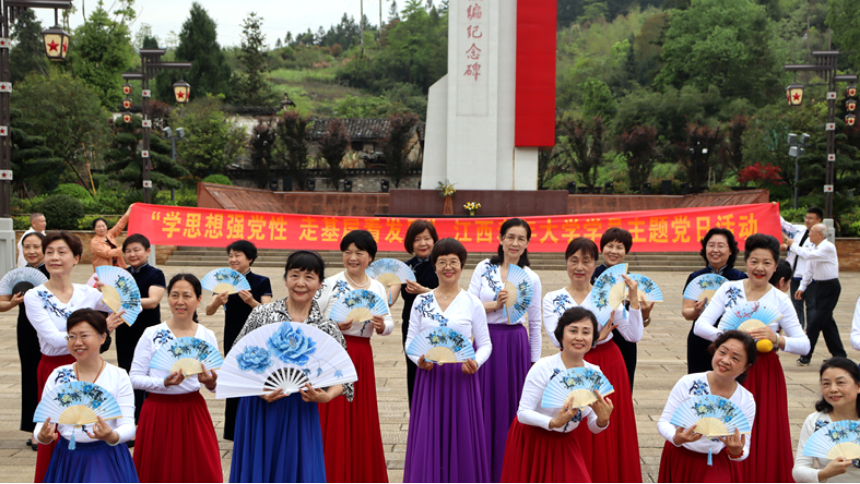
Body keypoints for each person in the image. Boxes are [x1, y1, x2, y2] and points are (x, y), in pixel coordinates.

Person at [695, 234, 810, 483]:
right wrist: (731, 338)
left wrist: (777, 339)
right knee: (725, 425)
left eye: (767, 263)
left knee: (763, 430)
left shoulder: (780, 299)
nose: (760, 268)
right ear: (745, 262)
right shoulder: (729, 289)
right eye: (754, 261)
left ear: (775, 266)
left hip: (764, 371)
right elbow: (700, 326)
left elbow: (804, 345)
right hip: (729, 368)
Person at [229, 251, 353, 483]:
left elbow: (343, 376)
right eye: (294, 275)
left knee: (297, 470)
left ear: (319, 284)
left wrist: (326, 396)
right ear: (285, 279)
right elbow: (237, 361)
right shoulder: (262, 314)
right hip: (259, 406)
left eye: (309, 277)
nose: (300, 283)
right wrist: (258, 389)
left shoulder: (325, 326)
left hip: (301, 409)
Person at [24, 231, 124, 483]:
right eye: (49, 252)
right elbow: (53, 339)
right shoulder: (34, 296)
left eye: (62, 252)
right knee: (52, 434)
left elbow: (124, 307)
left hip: (89, 369)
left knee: (87, 431)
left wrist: (112, 295)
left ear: (76, 258)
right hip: (53, 369)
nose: (54, 257)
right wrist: (97, 330)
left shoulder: (88, 294)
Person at [542, 237, 642, 483]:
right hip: (571, 366)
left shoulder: (608, 296)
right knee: (575, 423)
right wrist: (596, 338)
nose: (579, 267)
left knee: (605, 427)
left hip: (608, 365)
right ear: (566, 263)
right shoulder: (553, 298)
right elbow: (557, 341)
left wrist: (634, 299)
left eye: (586, 261)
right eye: (573, 260)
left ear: (595, 264)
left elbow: (633, 334)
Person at [404, 238, 492, 483]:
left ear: (462, 266)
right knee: (429, 435)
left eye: (453, 261)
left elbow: (485, 344)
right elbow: (410, 341)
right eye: (442, 262)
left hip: (462, 379)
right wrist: (418, 360)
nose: (447, 267)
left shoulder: (472, 303)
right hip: (430, 378)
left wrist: (476, 362)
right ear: (434, 266)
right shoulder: (422, 302)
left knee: (462, 436)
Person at [314, 230, 393, 483]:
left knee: (361, 415)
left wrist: (382, 326)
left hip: (361, 354)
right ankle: (331, 470)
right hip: (333, 352)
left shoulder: (378, 286)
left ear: (370, 257)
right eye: (347, 252)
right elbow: (313, 319)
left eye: (359, 253)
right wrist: (335, 326)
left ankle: (360, 472)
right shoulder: (330, 283)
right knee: (334, 413)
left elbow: (389, 323)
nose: (353, 257)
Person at [500, 307, 613, 483]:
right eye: (573, 330)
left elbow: (593, 425)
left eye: (586, 332)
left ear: (593, 338)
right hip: (533, 439)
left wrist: (602, 420)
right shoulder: (543, 367)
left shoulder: (594, 373)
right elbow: (522, 413)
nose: (579, 337)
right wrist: (553, 422)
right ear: (561, 335)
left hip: (565, 442)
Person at [468, 218, 542, 483]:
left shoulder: (531, 277)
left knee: (512, 406)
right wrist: (494, 305)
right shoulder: (484, 268)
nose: (515, 243)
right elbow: (469, 305)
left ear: (527, 244)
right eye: (510, 237)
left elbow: (535, 322)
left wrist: (535, 363)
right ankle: (480, 465)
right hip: (486, 340)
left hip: (515, 345)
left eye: (521, 238)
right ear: (500, 239)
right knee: (482, 404)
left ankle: (510, 467)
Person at [130, 274, 222, 483]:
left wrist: (209, 382)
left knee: (198, 469)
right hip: (157, 411)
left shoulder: (206, 335)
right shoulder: (152, 333)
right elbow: (134, 378)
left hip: (193, 410)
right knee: (158, 469)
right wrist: (162, 383)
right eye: (174, 295)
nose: (180, 302)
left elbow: (218, 384)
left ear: (198, 299)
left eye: (187, 296)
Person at [34, 310, 137, 484]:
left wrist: (112, 436)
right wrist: (43, 436)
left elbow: (128, 425)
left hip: (105, 456)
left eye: (84, 336)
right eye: (71, 336)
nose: (77, 342)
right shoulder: (59, 375)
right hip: (67, 457)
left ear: (103, 337)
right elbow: (41, 425)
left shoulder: (118, 376)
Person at [657, 330, 757, 483]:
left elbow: (744, 449)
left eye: (735, 358)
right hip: (680, 455)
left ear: (746, 367)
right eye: (722, 352)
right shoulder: (689, 382)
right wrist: (675, 438)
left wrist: (736, 451)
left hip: (717, 462)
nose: (725, 360)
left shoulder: (746, 400)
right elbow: (664, 422)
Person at [205, 240, 272, 441]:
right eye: (231, 255)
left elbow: (268, 312)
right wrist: (216, 301)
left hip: (255, 337)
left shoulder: (262, 281)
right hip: (232, 335)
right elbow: (208, 311)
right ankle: (234, 431)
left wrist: (251, 301)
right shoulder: (224, 282)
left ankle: (256, 427)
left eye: (238, 255)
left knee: (255, 378)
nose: (233, 259)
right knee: (233, 379)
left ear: (249, 258)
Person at [0, 232, 48, 451]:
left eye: (36, 246)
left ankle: (49, 425)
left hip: (48, 328)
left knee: (48, 376)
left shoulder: (52, 271)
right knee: (30, 376)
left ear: (44, 248)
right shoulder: (17, 274)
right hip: (26, 330)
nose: (31, 251)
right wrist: (13, 302)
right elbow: (2, 303)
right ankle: (34, 430)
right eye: (26, 247)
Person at [591, 227, 655, 389]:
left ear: (626, 252)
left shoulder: (633, 282)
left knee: (622, 388)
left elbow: (640, 325)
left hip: (625, 341)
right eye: (610, 246)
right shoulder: (591, 276)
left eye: (619, 247)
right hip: (597, 340)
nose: (614, 251)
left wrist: (645, 315)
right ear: (602, 248)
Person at [683, 228, 748, 374]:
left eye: (721, 245)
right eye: (711, 245)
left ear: (731, 250)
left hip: (732, 337)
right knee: (700, 380)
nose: (715, 250)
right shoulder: (696, 278)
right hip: (700, 338)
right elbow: (686, 312)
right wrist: (696, 310)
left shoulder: (740, 278)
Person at [118, 234, 166, 423]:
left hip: (147, 332)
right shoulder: (122, 275)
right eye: (128, 251)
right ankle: (131, 421)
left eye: (136, 249)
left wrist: (124, 302)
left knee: (148, 375)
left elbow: (153, 301)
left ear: (147, 251)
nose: (132, 254)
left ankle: (148, 420)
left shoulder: (155, 274)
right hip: (124, 331)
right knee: (128, 375)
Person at [793, 358, 860, 483]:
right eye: (826, 384)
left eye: (840, 382)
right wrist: (824, 474)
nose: (833, 389)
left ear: (858, 386)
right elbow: (799, 470)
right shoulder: (814, 421)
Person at [790, 223, 847, 365]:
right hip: (819, 287)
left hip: (831, 288)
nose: (809, 234)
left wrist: (793, 245)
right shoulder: (814, 248)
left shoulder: (827, 247)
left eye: (811, 231)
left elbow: (806, 254)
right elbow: (808, 271)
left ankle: (806, 354)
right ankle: (839, 355)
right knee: (827, 323)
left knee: (815, 322)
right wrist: (802, 288)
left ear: (820, 234)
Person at [398, 220, 439, 408]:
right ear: (410, 243)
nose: (423, 243)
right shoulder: (404, 269)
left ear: (434, 240)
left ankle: (437, 412)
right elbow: (390, 297)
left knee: (437, 367)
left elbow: (448, 294)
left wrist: (424, 290)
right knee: (414, 368)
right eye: (417, 239)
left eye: (427, 238)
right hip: (411, 324)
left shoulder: (442, 265)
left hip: (436, 323)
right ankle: (416, 414)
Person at [781, 207, 824, 329]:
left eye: (811, 218)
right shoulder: (800, 230)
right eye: (807, 217)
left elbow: (807, 254)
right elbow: (785, 225)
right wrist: (774, 208)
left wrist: (791, 245)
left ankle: (811, 331)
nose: (807, 220)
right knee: (796, 305)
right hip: (796, 275)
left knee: (811, 305)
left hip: (811, 278)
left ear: (819, 220)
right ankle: (798, 331)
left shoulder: (821, 236)